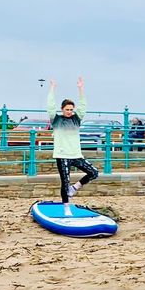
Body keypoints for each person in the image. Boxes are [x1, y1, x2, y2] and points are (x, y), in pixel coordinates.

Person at [48, 77, 98, 213]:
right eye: (67, 109)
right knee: (65, 181)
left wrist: (81, 88)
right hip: (62, 155)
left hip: (76, 155)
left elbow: (83, 106)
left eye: (71, 109)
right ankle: (66, 207)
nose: (69, 111)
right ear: (62, 109)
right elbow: (50, 106)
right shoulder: (56, 120)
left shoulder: (76, 119)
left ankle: (74, 188)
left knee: (94, 173)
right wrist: (52, 88)